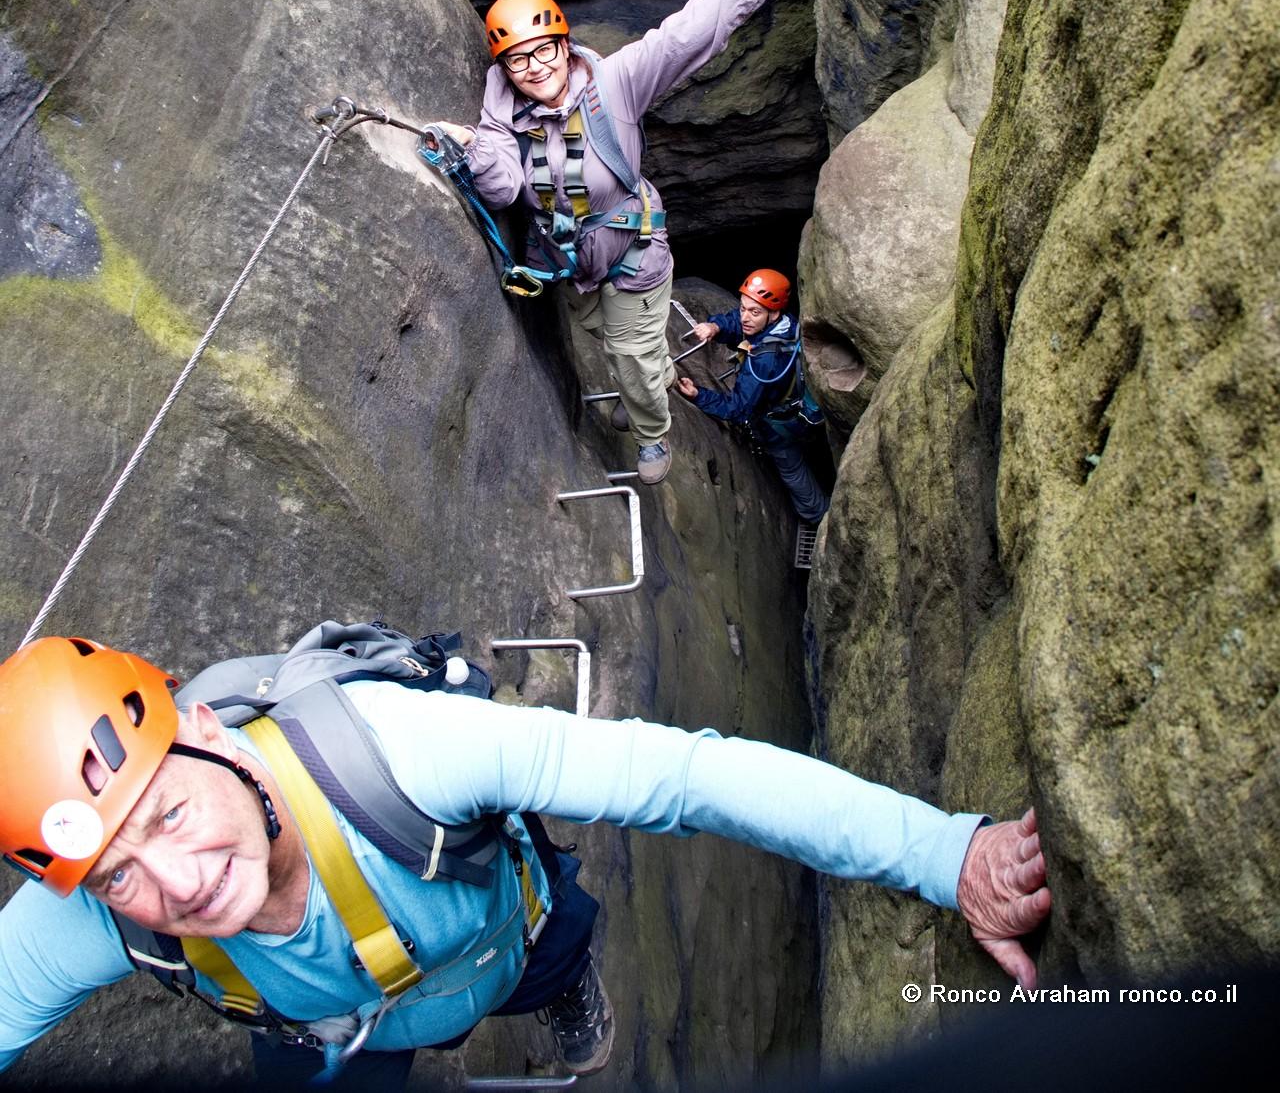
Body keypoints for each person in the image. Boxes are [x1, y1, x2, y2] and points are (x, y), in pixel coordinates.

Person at [0, 636, 1051, 1084]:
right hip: (334, 1040)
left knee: (552, 953)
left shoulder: (402, 755)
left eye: (169, 812)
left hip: (510, 940)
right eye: (119, 875)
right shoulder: (90, 911)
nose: (178, 882)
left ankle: (561, 993)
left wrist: (946, 855)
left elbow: (690, 776)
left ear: (208, 736)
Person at [438, 0, 817, 485]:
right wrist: (473, 146)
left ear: (564, 44)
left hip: (635, 252)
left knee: (631, 356)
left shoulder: (614, 85)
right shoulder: (504, 118)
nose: (536, 67)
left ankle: (652, 431)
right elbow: (499, 190)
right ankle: (651, 377)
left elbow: (682, 37)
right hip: (573, 263)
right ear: (505, 69)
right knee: (610, 339)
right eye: (519, 60)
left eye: (544, 50)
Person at [678, 269, 830, 558]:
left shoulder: (764, 362)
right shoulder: (786, 325)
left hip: (780, 429)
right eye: (743, 308)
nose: (745, 317)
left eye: (755, 312)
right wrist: (715, 327)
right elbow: (742, 325)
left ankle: (822, 521)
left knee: (793, 471)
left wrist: (699, 395)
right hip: (795, 408)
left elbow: (739, 409)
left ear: (773, 313)